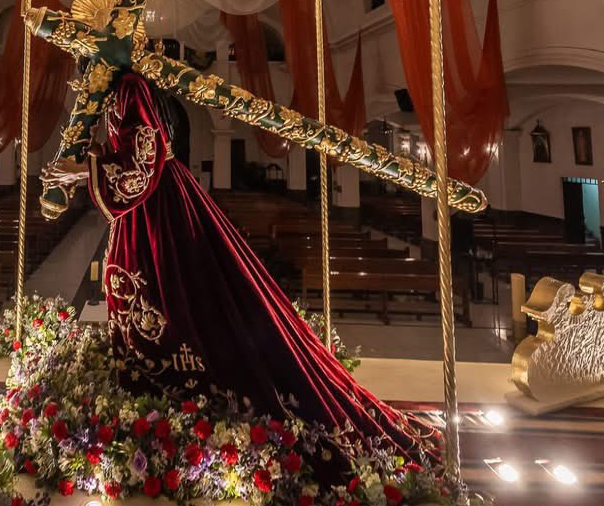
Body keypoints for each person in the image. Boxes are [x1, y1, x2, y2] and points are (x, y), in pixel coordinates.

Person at [42, 72, 439, 464]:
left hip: (159, 210)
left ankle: (175, 390)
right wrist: (92, 159)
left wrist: (84, 170)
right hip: (150, 209)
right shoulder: (120, 92)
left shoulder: (131, 87)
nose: (84, 72)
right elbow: (130, 151)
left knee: (174, 298)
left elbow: (144, 159)